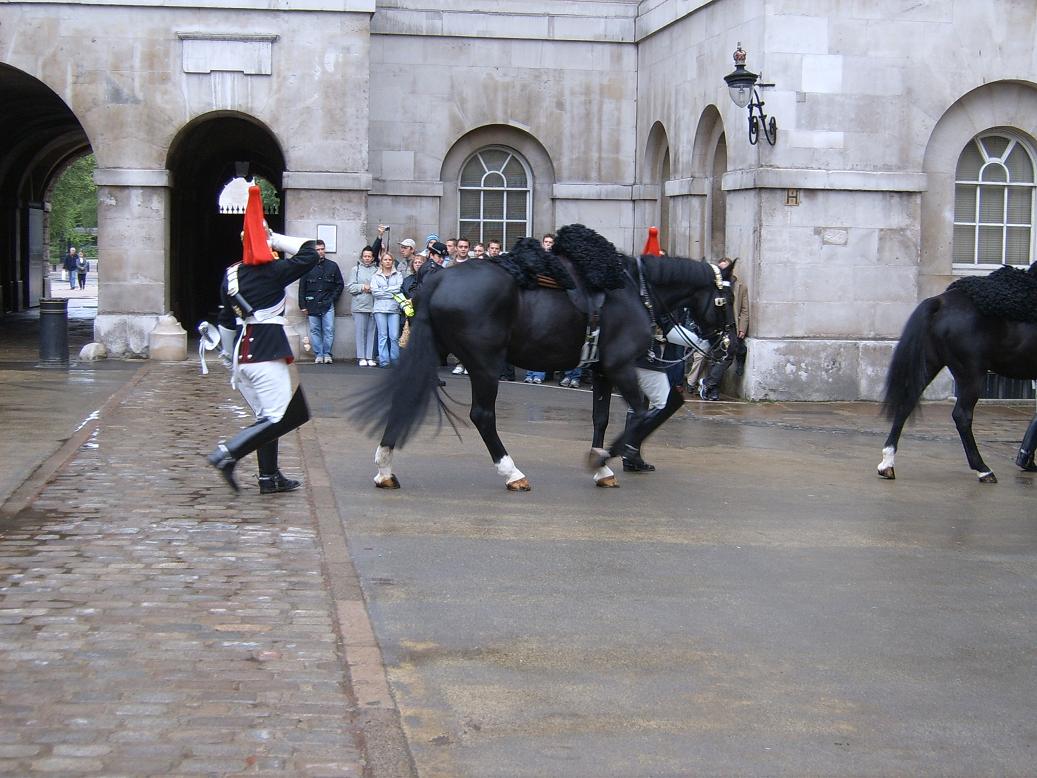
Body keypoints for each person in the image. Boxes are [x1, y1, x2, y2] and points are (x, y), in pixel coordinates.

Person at [206, 184, 318, 495]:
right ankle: (227, 454)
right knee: (286, 415)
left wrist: (230, 357)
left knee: (267, 417)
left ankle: (269, 477)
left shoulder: (231, 275)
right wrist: (277, 238)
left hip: (243, 356)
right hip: (267, 352)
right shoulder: (274, 271)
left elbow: (226, 320)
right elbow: (312, 249)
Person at [696, 257, 748, 400]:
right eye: (720, 269)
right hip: (717, 328)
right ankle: (712, 390)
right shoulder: (713, 286)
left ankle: (709, 383)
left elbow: (744, 310)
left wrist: (742, 328)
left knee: (727, 356)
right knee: (716, 358)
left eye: (725, 268)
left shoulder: (740, 286)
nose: (722, 271)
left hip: (732, 326)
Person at [297, 239, 344, 364]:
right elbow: (302, 287)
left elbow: (339, 285)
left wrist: (332, 298)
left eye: (322, 249)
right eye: (317, 249)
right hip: (311, 304)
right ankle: (319, 354)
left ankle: (327, 353)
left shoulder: (332, 266)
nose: (320, 252)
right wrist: (302, 305)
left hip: (327, 303)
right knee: (315, 330)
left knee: (329, 329)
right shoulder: (307, 267)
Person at [524, 234, 556, 385]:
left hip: (547, 305)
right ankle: (530, 372)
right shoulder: (537, 259)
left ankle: (539, 374)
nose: (548, 244)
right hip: (534, 304)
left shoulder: (554, 260)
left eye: (551, 242)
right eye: (546, 242)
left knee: (541, 343)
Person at [371, 249, 404, 368]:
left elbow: (398, 289)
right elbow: (375, 292)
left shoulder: (398, 274)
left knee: (394, 336)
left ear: (393, 261)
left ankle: (395, 359)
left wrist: (383, 290)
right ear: (381, 262)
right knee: (383, 335)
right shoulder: (376, 275)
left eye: (390, 259)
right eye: (385, 259)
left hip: (394, 308)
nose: (388, 262)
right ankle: (384, 360)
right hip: (379, 309)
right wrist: (390, 290)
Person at [348, 242, 379, 366]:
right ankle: (361, 356)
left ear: (372, 257)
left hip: (373, 304)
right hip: (359, 305)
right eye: (365, 256)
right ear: (362, 257)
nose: (367, 258)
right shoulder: (355, 269)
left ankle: (369, 356)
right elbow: (350, 287)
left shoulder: (377, 270)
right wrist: (363, 287)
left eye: (369, 256)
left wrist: (372, 288)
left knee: (371, 332)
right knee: (360, 332)